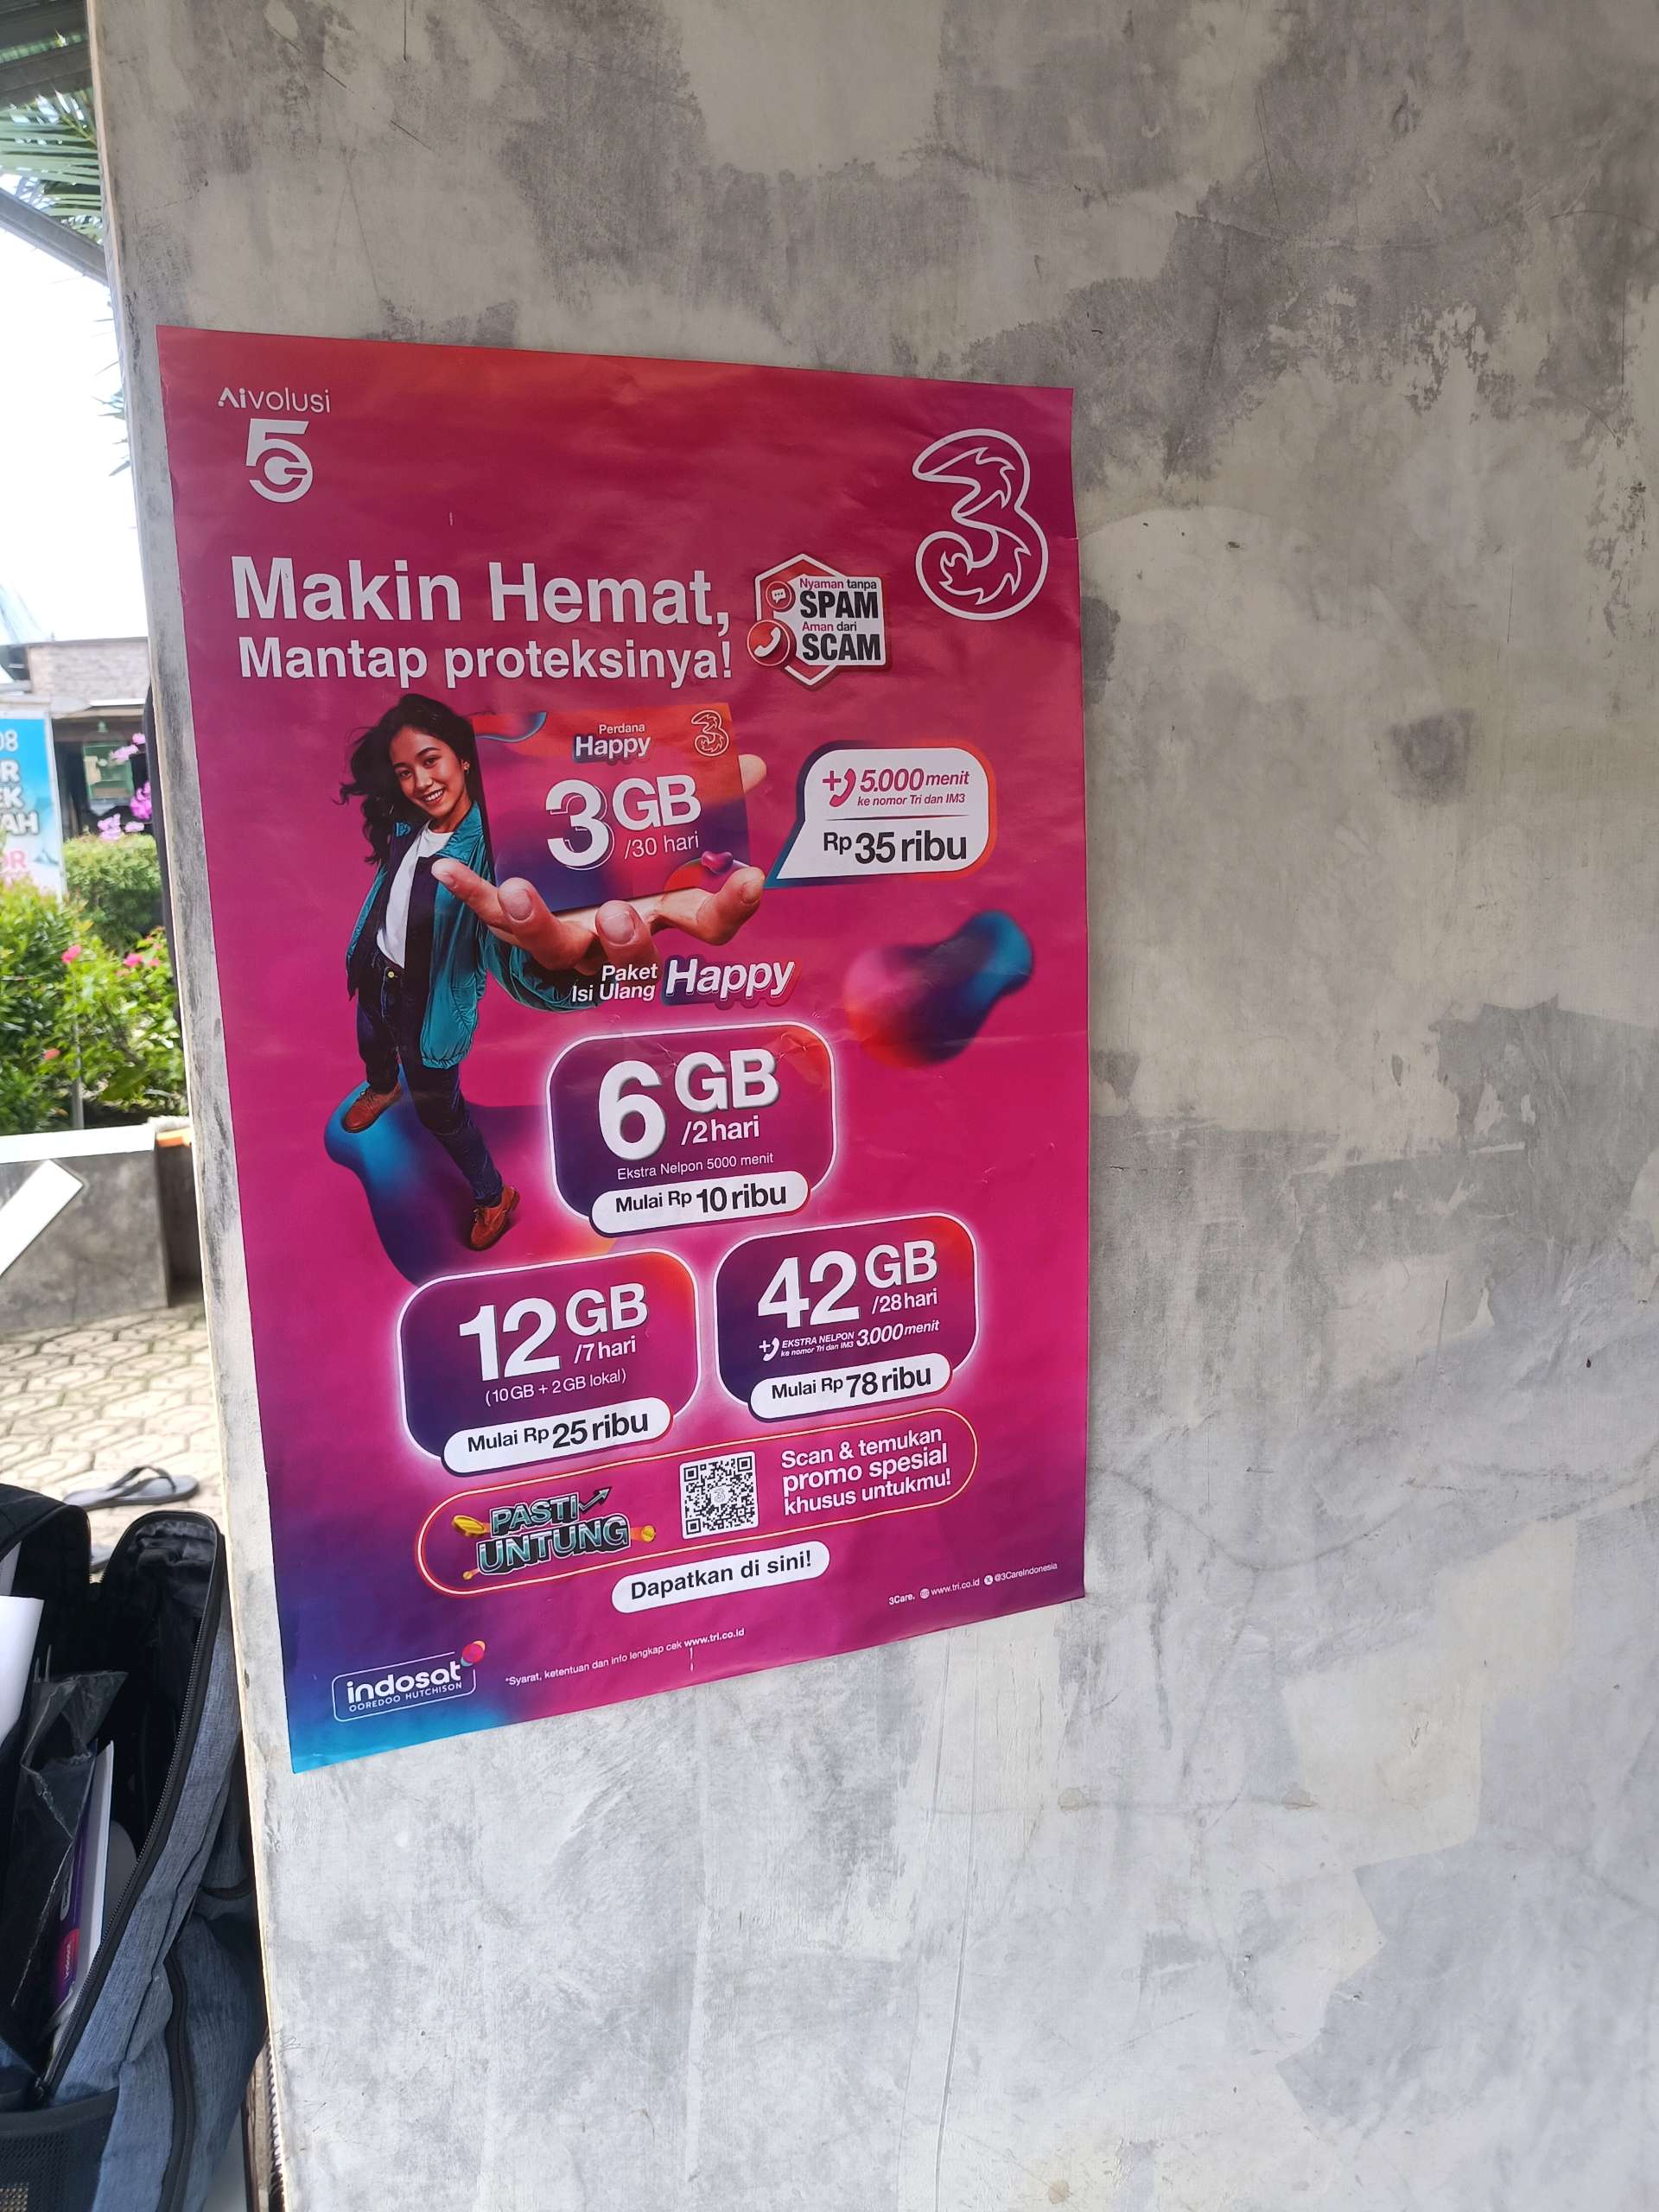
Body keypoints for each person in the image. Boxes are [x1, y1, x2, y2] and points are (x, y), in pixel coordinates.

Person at [340, 694, 764, 1250]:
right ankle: (382, 1085)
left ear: (462, 758)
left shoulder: (495, 846)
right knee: (372, 1042)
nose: (420, 782)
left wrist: (575, 971)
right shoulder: (405, 823)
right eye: (405, 771)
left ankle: (493, 1196)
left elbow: (521, 949)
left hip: (429, 1007)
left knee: (440, 1111)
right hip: (376, 976)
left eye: (430, 760)